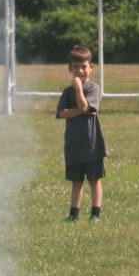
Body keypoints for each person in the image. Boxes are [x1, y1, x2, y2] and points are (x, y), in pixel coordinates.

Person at [56, 44, 107, 222]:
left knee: (94, 179)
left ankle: (95, 214)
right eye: (76, 67)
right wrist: (79, 110)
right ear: (70, 68)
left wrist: (78, 90)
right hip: (74, 144)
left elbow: (87, 107)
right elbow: (62, 113)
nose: (80, 71)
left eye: (83, 66)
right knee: (76, 181)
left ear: (91, 68)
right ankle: (73, 214)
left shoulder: (94, 89)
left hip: (92, 144)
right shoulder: (66, 92)